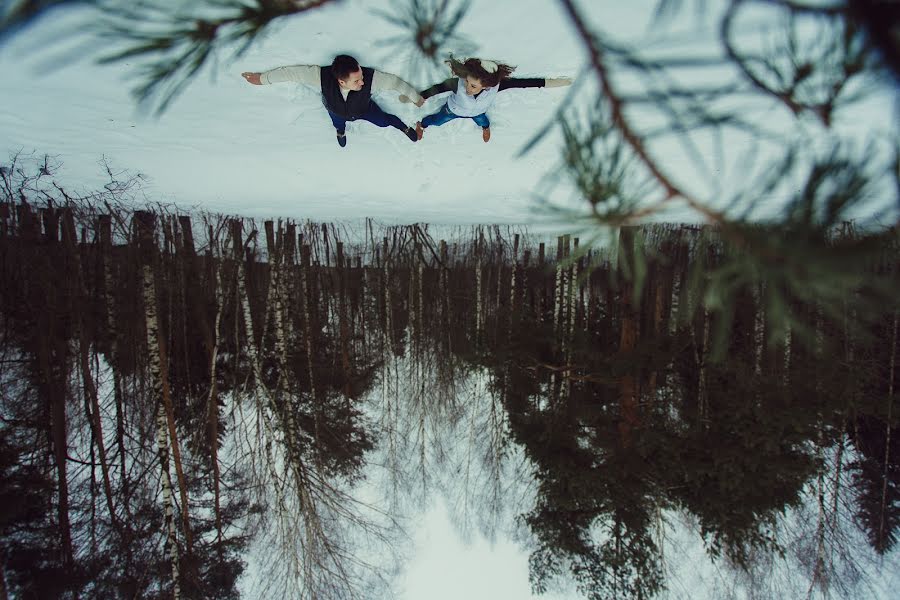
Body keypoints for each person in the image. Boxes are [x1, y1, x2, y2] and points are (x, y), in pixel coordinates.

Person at [242, 55, 425, 147]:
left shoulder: (369, 77)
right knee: (338, 122)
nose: (362, 82)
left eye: (361, 76)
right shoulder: (321, 77)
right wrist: (262, 79)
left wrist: (416, 98)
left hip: (364, 110)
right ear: (341, 81)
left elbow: (394, 83)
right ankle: (340, 132)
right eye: (357, 81)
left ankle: (405, 129)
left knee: (385, 121)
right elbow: (292, 73)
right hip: (336, 111)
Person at [406, 57, 572, 142]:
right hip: (453, 110)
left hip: (478, 112)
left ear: (485, 86)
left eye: (473, 86)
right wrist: (421, 97)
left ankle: (485, 128)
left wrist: (553, 83)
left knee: (483, 122)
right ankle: (422, 125)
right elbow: (437, 89)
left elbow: (524, 83)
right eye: (468, 83)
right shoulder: (458, 84)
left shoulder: (496, 86)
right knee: (437, 120)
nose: (467, 88)